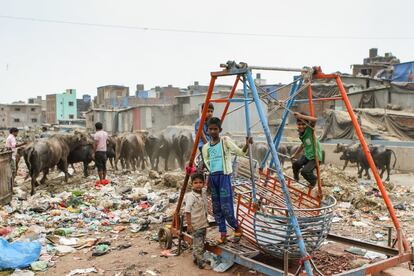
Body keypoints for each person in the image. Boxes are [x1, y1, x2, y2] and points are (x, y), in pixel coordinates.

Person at [201, 117, 253, 244]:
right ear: (207, 130)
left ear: (220, 130)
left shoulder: (225, 141)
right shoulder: (205, 147)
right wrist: (207, 181)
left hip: (224, 177)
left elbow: (240, 153)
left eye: (215, 129)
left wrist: (247, 144)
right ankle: (223, 234)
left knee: (226, 207)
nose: (213, 131)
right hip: (213, 178)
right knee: (216, 208)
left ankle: (236, 228)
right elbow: (207, 164)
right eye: (210, 129)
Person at [184, 172, 208, 269]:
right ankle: (201, 263)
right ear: (192, 184)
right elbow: (187, 211)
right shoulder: (190, 196)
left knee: (200, 242)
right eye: (195, 183)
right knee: (198, 245)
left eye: (200, 182)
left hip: (203, 223)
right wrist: (189, 225)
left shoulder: (203, 192)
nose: (198, 185)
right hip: (196, 224)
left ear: (203, 183)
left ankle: (195, 258)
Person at [291, 112, 323, 188]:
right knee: (295, 164)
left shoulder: (309, 130)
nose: (301, 126)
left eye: (303, 124)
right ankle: (296, 177)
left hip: (315, 157)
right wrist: (295, 154)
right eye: (299, 124)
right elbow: (303, 145)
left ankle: (313, 181)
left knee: (305, 172)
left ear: (307, 125)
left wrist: (301, 116)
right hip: (307, 155)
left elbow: (315, 120)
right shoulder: (301, 134)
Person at [93, 122, 109, 187]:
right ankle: (104, 179)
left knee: (99, 167)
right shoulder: (105, 133)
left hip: (98, 152)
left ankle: (101, 180)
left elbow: (96, 144)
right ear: (102, 127)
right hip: (104, 152)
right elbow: (107, 141)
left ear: (96, 127)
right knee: (104, 166)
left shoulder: (96, 134)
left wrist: (94, 152)